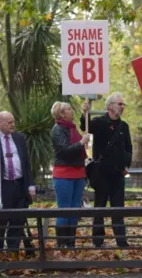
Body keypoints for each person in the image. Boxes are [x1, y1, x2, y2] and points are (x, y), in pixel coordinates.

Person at [81, 93, 132, 248]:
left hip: (118, 174)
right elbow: (85, 126)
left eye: (123, 104)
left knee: (118, 209)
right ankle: (98, 241)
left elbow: (128, 148)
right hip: (102, 173)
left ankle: (121, 241)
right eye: (120, 104)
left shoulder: (124, 126)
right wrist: (85, 112)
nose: (122, 107)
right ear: (110, 106)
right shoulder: (100, 122)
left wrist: (126, 166)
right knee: (99, 208)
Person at [0, 111, 36, 257]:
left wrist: (30, 185)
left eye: (13, 121)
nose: (13, 125)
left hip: (20, 184)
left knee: (18, 221)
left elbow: (26, 163)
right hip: (3, 186)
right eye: (9, 122)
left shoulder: (19, 138)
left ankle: (13, 252)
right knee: (0, 222)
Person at [51, 101, 90, 248]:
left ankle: (71, 243)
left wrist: (84, 112)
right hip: (64, 173)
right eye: (68, 109)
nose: (70, 111)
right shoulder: (57, 130)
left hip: (78, 172)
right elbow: (64, 151)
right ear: (61, 114)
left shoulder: (73, 128)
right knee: (64, 209)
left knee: (74, 209)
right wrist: (81, 143)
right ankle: (62, 243)